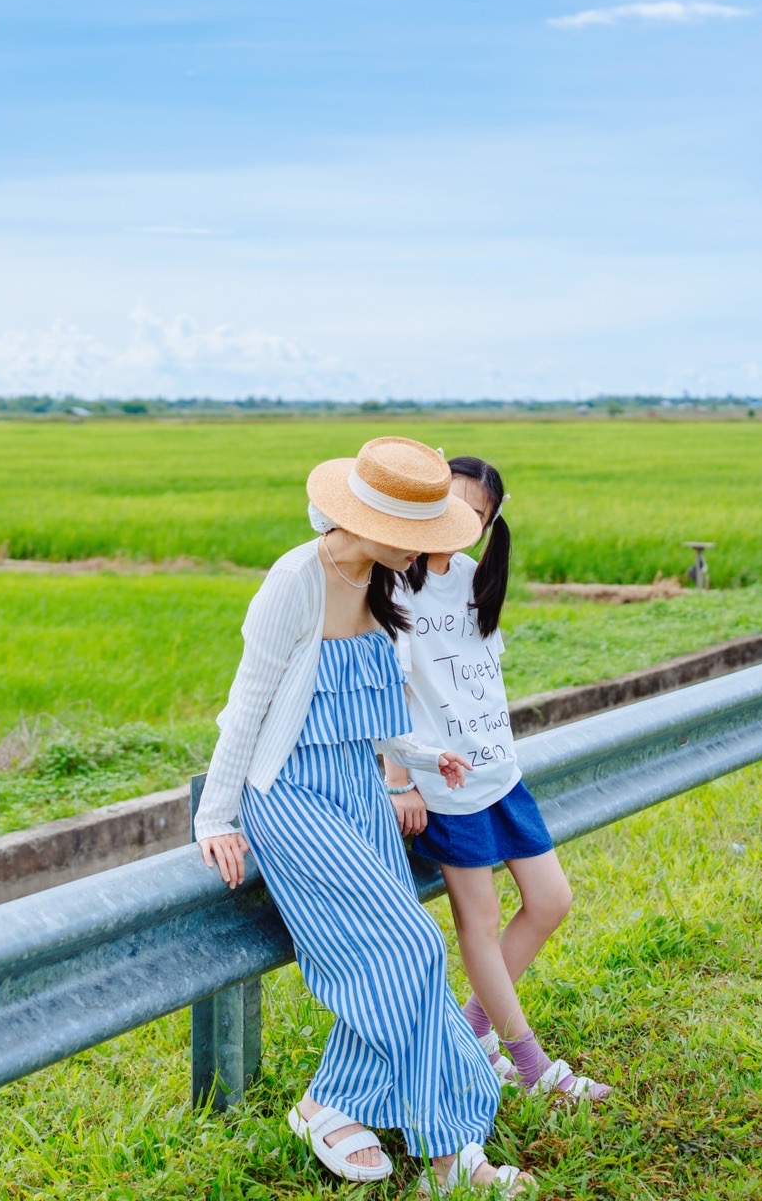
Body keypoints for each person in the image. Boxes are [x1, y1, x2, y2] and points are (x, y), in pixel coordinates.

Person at [194, 437, 535, 1197]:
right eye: (412, 536)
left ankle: (329, 1102)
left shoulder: (384, 583)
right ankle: (451, 1157)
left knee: (393, 956)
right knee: (412, 945)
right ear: (369, 519)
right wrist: (216, 817)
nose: (422, 552)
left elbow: (359, 704)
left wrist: (418, 757)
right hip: (292, 793)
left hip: (356, 785)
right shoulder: (296, 580)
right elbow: (249, 705)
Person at [384, 455, 611, 1102]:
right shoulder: (396, 584)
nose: (456, 520)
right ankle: (533, 1067)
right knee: (479, 924)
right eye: (447, 503)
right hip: (447, 788)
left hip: (500, 773)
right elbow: (389, 691)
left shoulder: (475, 579)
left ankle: (470, 1029)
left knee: (551, 901)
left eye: (473, 514)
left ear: (486, 526)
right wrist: (402, 779)